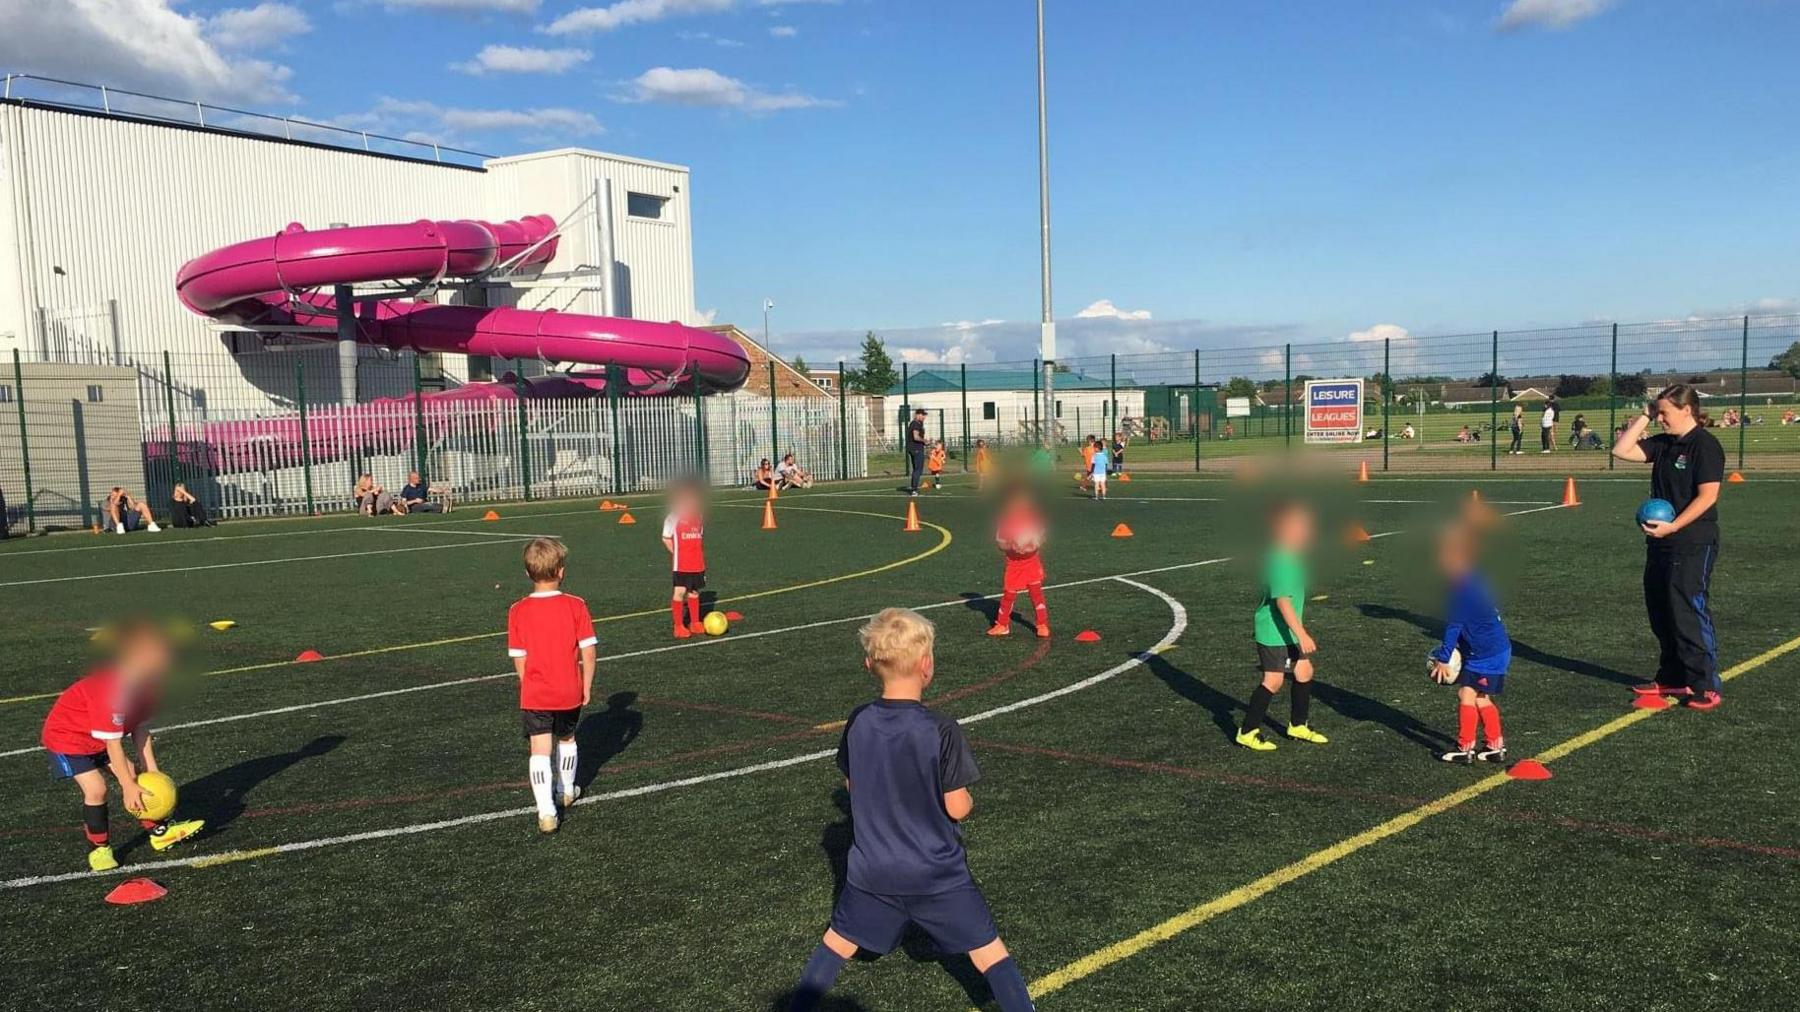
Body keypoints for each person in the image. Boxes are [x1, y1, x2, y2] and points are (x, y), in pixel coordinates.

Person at [785, 608, 1035, 1012]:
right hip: (937, 873)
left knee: (836, 944)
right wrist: (965, 799)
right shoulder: (940, 729)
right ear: (927, 665)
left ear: (869, 666)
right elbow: (957, 807)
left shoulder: (859, 721)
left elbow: (853, 785)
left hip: (873, 873)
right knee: (989, 954)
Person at [40, 618, 205, 870]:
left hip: (99, 739)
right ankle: (100, 850)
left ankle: (160, 833)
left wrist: (151, 770)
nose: (168, 660)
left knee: (137, 777)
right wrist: (127, 786)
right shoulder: (113, 692)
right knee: (97, 789)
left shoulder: (148, 688)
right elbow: (113, 744)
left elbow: (140, 729)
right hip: (68, 738)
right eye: (160, 655)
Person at [1611, 385, 1726, 710]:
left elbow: (1708, 496)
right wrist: (1645, 415)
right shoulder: (1664, 444)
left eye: (1665, 413)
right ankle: (1673, 676)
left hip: (1692, 540)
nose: (1660, 418)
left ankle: (1705, 683)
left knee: (1687, 608)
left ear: (1687, 410)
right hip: (1660, 540)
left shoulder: (1705, 446)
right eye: (1657, 412)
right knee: (1660, 607)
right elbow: (1621, 450)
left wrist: (1675, 526)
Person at [506, 537, 598, 833]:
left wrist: (527, 683)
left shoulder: (517, 610)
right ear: (561, 571)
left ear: (527, 573)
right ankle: (566, 790)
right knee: (567, 738)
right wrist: (587, 683)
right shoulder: (576, 605)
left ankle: (546, 812)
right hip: (568, 688)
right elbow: (588, 650)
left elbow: (519, 657)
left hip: (535, 692)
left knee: (539, 750)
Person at [1237, 500, 1328, 750]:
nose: (1306, 531)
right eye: (1300, 527)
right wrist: (1301, 634)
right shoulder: (1281, 560)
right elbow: (1282, 603)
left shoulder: (1290, 556)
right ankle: (1247, 730)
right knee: (1274, 680)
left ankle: (1298, 725)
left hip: (1285, 631)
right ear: (1282, 530)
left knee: (1304, 672)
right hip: (1275, 633)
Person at [1429, 522, 1513, 764]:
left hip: (1485, 653)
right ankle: (1495, 746)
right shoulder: (1474, 577)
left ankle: (1464, 747)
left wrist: (1444, 658)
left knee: (1466, 694)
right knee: (1480, 697)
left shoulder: (1462, 589)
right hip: (1497, 648)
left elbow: (1455, 625)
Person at [987, 484, 1050, 639]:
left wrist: (1032, 544)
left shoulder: (1032, 519)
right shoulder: (1006, 521)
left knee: (1036, 593)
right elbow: (1000, 542)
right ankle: (1002, 624)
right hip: (1014, 564)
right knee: (1009, 594)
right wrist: (1012, 545)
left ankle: (1042, 624)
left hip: (1032, 561)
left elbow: (1041, 537)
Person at [661, 481, 708, 639]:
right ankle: (679, 625)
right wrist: (677, 553)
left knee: (694, 591)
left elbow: (699, 537)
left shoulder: (699, 516)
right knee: (679, 592)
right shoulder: (673, 517)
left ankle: (695, 622)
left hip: (697, 561)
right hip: (681, 562)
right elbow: (666, 538)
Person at [906, 408, 928, 496]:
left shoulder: (918, 424)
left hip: (914, 448)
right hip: (916, 448)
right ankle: (914, 489)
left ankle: (914, 487)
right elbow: (915, 437)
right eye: (923, 415)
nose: (924, 417)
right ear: (918, 415)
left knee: (917, 469)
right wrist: (924, 441)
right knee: (918, 469)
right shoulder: (915, 424)